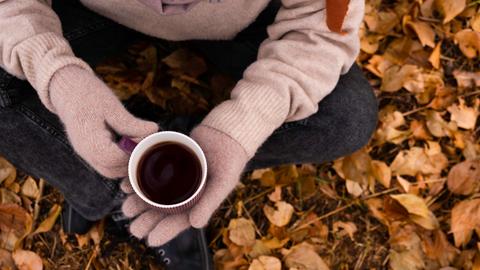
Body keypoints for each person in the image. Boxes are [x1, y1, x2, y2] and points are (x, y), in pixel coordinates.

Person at [0, 0, 378, 268]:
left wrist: (241, 128)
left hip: (244, 23)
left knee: (347, 117)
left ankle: (176, 152)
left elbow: (320, 31)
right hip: (89, 11)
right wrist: (58, 75)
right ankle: (115, 184)